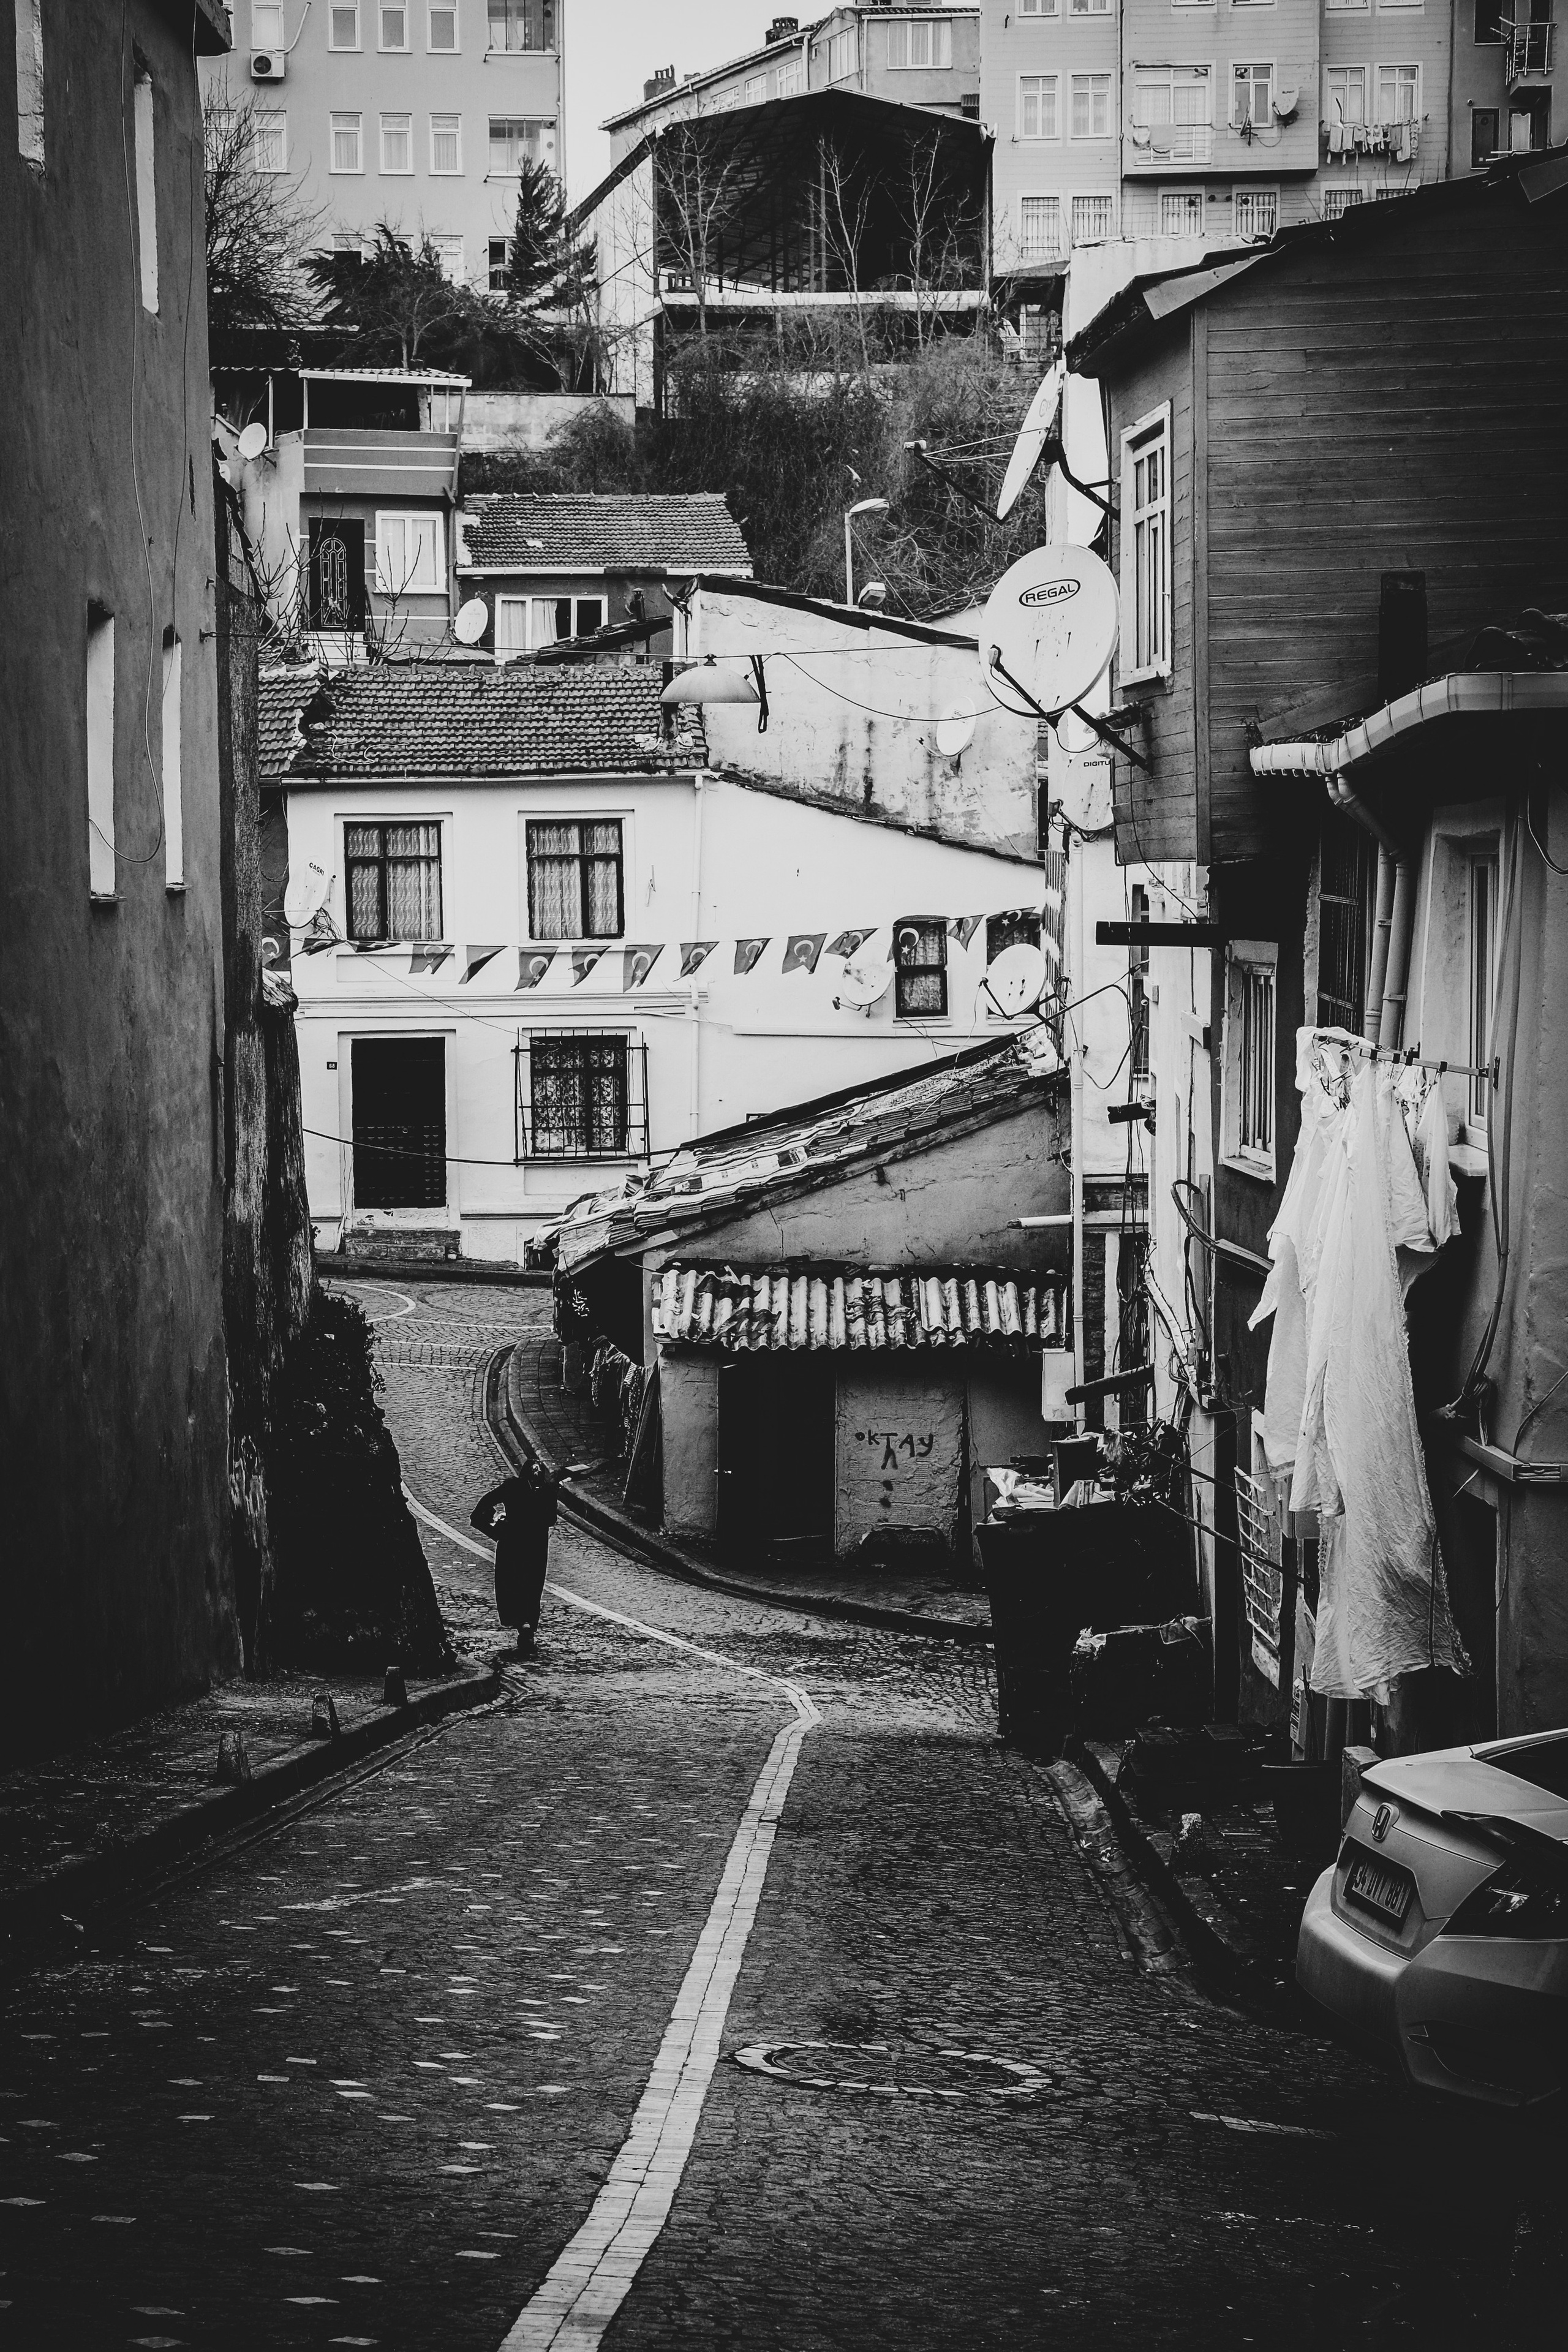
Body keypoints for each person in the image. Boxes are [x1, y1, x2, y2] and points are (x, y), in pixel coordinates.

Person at [470, 1457, 558, 1659]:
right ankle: (527, 1626)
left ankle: (522, 1624)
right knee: (531, 1584)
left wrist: (496, 1524)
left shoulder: (513, 1487)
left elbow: (485, 1505)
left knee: (513, 1584)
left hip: (513, 1544)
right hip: (535, 1546)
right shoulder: (547, 1491)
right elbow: (551, 1519)